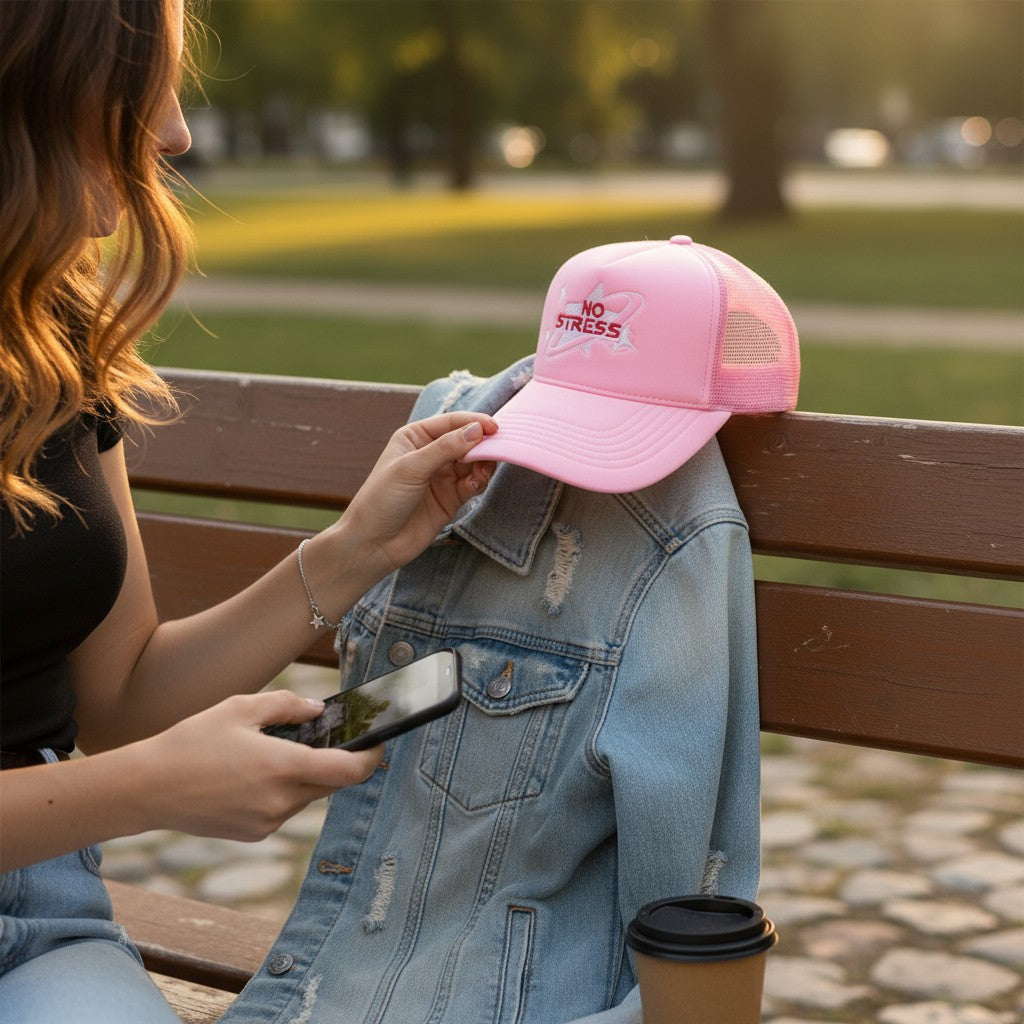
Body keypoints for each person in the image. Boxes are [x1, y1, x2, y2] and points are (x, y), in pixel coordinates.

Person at [0, 2, 495, 1021]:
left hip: (34, 911)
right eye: (140, 79)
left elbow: (126, 695)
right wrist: (147, 788)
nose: (175, 130)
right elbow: (134, 757)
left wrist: (357, 549)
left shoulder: (50, 331)